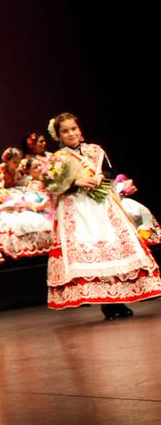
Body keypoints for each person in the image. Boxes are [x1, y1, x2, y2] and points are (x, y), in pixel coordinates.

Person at [43, 112, 161, 318]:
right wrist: (76, 182)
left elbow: (109, 172)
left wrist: (99, 176)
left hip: (102, 205)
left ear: (80, 130)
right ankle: (107, 304)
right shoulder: (58, 159)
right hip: (76, 208)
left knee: (114, 246)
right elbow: (52, 185)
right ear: (59, 136)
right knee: (91, 251)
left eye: (73, 129)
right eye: (65, 131)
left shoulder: (95, 150)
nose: (71, 133)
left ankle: (120, 300)